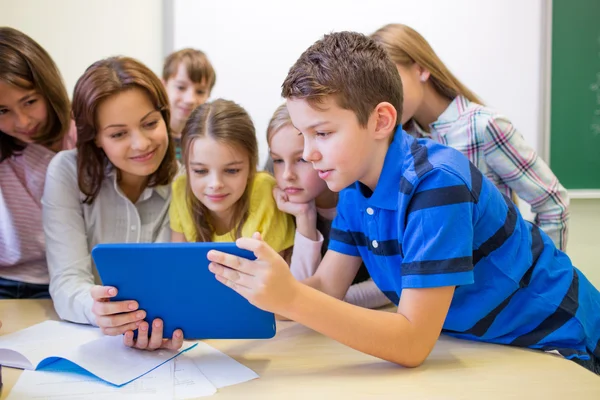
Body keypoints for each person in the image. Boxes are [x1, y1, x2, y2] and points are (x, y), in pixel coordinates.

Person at [207, 31, 600, 374]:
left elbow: (411, 342)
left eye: (322, 133)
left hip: (558, 340)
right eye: (302, 135)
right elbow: (327, 286)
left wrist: (290, 297)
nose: (309, 153)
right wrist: (237, 296)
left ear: (380, 121)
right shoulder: (353, 187)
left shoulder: (436, 184)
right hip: (480, 344)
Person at [371, 23, 569, 250]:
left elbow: (554, 204)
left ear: (421, 69)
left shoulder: (484, 126)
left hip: (499, 281)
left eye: (392, 81)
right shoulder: (402, 140)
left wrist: (536, 273)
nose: (387, 98)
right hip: (438, 280)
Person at [43, 56, 182, 351]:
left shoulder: (184, 182)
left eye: (150, 123)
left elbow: (169, 286)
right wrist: (99, 312)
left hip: (161, 343)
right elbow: (67, 281)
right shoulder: (66, 172)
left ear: (165, 116)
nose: (142, 143)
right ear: (95, 138)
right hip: (89, 341)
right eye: (119, 134)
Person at [265, 103, 389, 309]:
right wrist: (305, 217)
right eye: (277, 160)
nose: (287, 174)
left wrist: (328, 301)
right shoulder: (282, 205)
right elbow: (297, 294)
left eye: (301, 160)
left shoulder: (364, 200)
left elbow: (390, 286)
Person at [0, 27, 75, 299]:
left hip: (66, 281)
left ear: (47, 88)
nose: (23, 121)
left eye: (29, 101)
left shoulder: (81, 140)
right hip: (4, 282)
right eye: (2, 111)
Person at [169, 99, 295, 257]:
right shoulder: (181, 188)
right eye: (200, 171)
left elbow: (276, 274)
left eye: (232, 170)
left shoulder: (265, 191)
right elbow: (177, 263)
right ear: (187, 167)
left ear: (251, 165)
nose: (215, 184)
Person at [162, 48, 216, 160]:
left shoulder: (210, 140)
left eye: (200, 92)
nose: (190, 99)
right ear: (163, 85)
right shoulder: (154, 138)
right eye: (181, 87)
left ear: (208, 95)